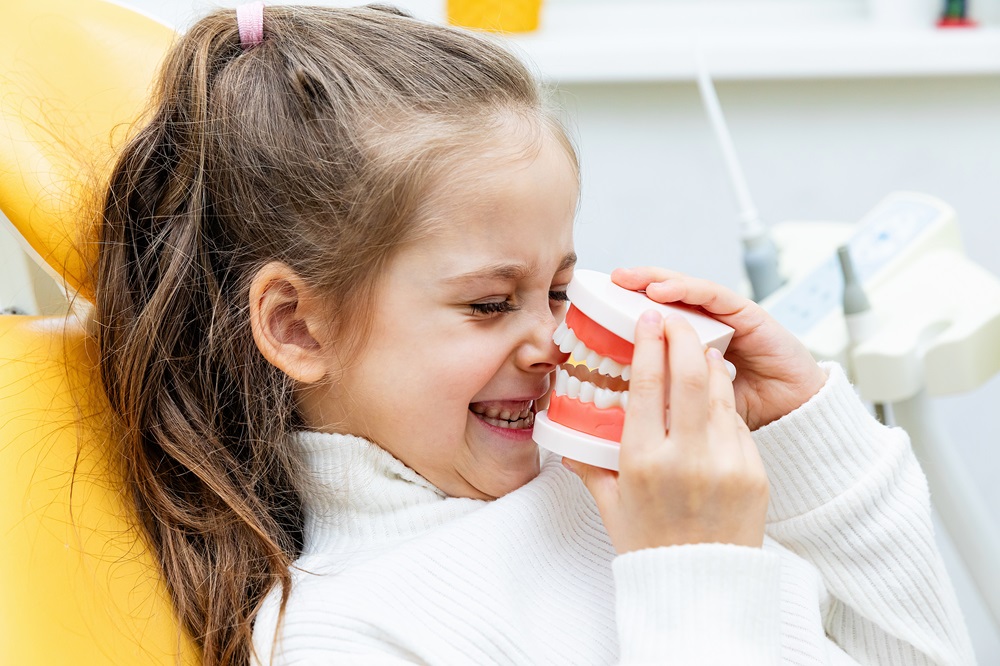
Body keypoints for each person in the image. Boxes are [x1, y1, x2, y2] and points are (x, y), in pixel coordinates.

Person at [91, 4, 975, 666]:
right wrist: (694, 574)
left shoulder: (603, 496)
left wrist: (811, 445)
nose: (551, 341)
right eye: (488, 303)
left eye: (556, 288)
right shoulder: (352, 634)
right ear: (296, 326)